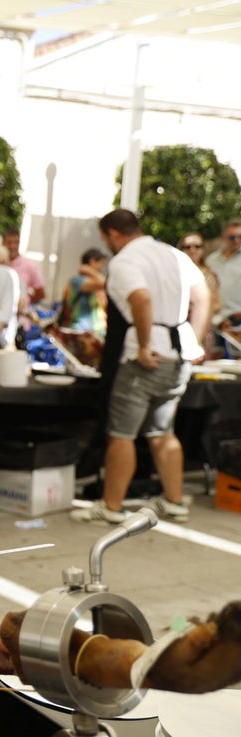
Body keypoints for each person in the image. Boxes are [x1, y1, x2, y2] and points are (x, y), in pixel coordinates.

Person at [71, 209, 209, 526]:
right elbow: (203, 297)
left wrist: (145, 345)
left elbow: (141, 299)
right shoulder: (172, 253)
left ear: (113, 234)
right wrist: (196, 341)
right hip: (177, 355)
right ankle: (174, 501)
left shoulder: (126, 261)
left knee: (121, 434)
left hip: (147, 356)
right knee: (162, 431)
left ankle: (112, 505)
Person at [177, 232, 221, 358]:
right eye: (187, 247)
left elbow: (217, 304)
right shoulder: (173, 272)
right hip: (177, 327)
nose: (193, 250)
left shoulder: (209, 275)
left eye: (197, 246)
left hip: (202, 329)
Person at [205, 219, 241, 356]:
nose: (236, 240)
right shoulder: (211, 260)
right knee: (214, 362)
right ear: (224, 238)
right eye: (232, 237)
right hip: (215, 321)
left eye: (240, 237)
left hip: (238, 321)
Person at [55, 247, 108, 335]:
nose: (102, 268)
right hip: (79, 331)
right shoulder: (77, 281)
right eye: (101, 263)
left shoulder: (97, 283)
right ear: (92, 261)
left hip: (96, 333)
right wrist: (88, 270)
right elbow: (105, 283)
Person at [3, 227, 45, 334]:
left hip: (19, 323)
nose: (12, 246)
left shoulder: (29, 266)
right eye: (9, 243)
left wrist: (26, 299)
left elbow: (41, 292)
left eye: (16, 242)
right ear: (3, 243)